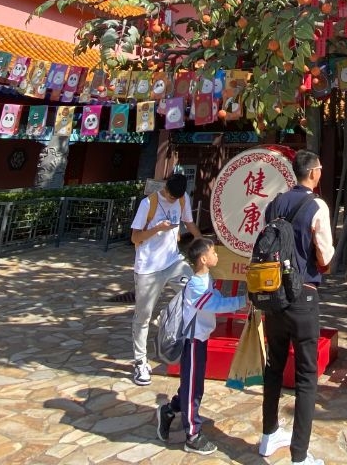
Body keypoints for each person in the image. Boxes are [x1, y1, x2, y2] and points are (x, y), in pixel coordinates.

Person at [258, 150, 334, 465]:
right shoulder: (317, 206)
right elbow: (325, 254)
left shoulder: (275, 204)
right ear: (314, 173)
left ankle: (268, 435)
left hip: (274, 297)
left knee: (274, 366)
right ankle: (299, 456)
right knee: (306, 376)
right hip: (304, 296)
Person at [157, 237, 249, 453]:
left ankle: (169, 410)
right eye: (213, 252)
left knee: (193, 384)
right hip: (192, 342)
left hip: (201, 339)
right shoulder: (196, 285)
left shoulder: (206, 279)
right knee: (193, 389)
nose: (217, 255)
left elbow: (216, 299)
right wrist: (242, 301)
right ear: (203, 259)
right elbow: (215, 304)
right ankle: (192, 435)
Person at [130, 173, 201, 386]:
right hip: (148, 267)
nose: (173, 200)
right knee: (142, 316)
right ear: (165, 188)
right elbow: (135, 237)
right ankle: (140, 362)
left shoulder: (182, 198)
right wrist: (157, 229)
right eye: (170, 196)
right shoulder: (148, 204)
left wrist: (201, 241)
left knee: (196, 290)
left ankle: (167, 315)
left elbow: (189, 223)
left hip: (173, 262)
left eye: (176, 198)